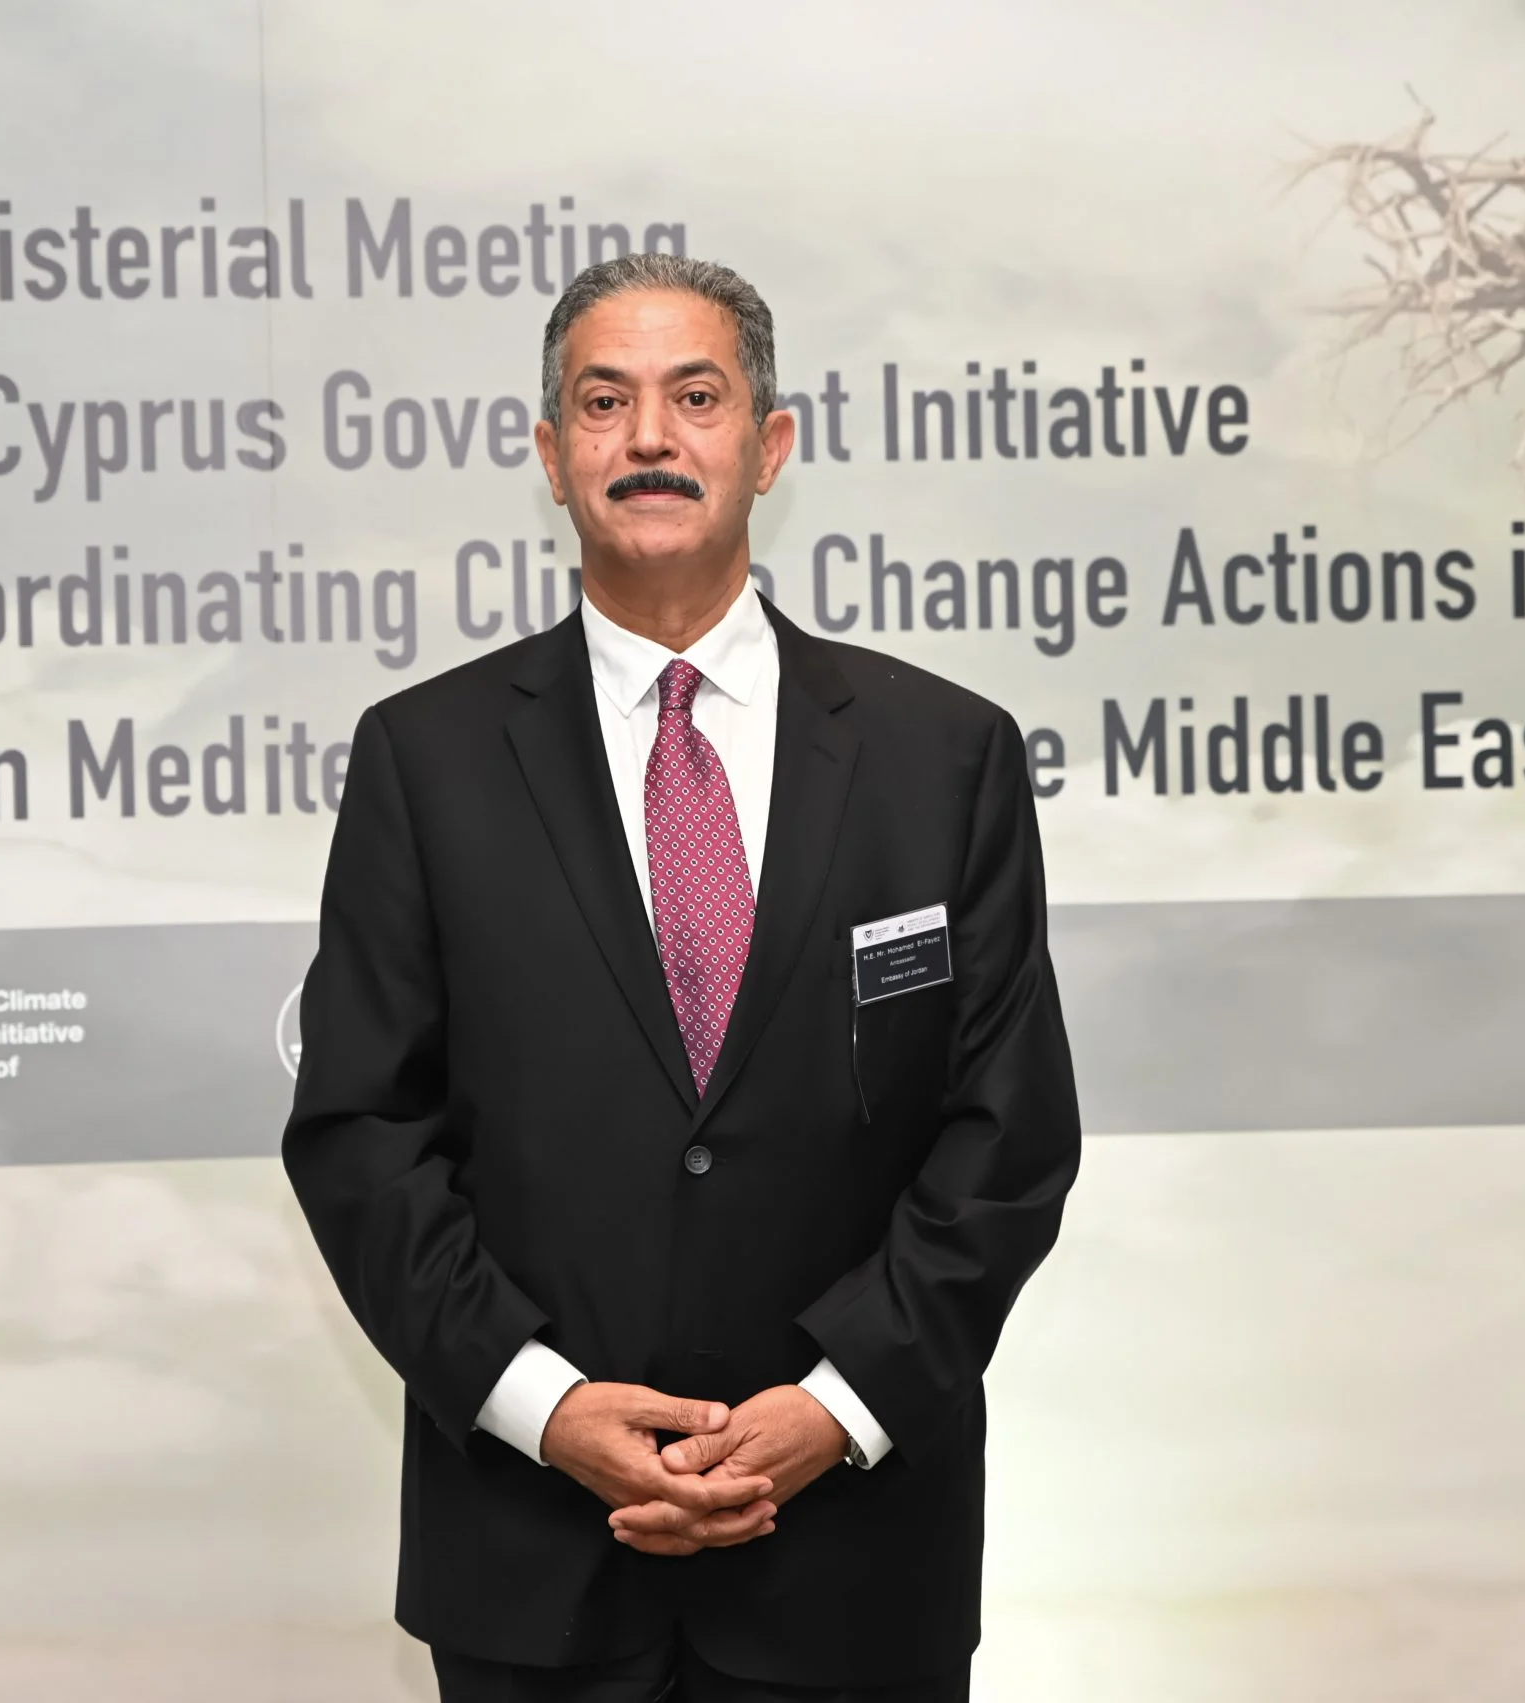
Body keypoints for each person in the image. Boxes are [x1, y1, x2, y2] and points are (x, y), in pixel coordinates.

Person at [283, 253, 1081, 1702]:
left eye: (695, 397)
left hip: (853, 1567)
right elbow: (361, 1136)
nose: (649, 436)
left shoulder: (943, 757)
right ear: (551, 457)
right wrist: (546, 1406)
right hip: (537, 1570)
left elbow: (1007, 1139)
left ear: (770, 447)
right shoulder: (424, 762)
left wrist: (835, 1407)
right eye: (604, 402)